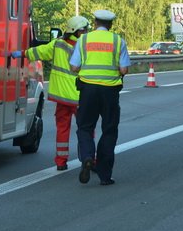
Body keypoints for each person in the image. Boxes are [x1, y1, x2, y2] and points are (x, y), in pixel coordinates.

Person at [70, 9, 130, 186]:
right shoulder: (118, 41)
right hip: (110, 92)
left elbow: (74, 67)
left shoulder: (84, 39)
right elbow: (124, 70)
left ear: (94, 23)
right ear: (110, 25)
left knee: (85, 127)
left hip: (88, 91)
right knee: (109, 130)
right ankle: (105, 176)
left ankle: (88, 156)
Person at [21, 15, 89, 171]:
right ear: (78, 32)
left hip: (63, 98)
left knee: (62, 129)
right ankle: (87, 157)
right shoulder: (86, 47)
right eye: (85, 30)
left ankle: (60, 161)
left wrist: (22, 53)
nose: (87, 32)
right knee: (86, 129)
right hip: (81, 98)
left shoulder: (58, 44)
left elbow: (40, 51)